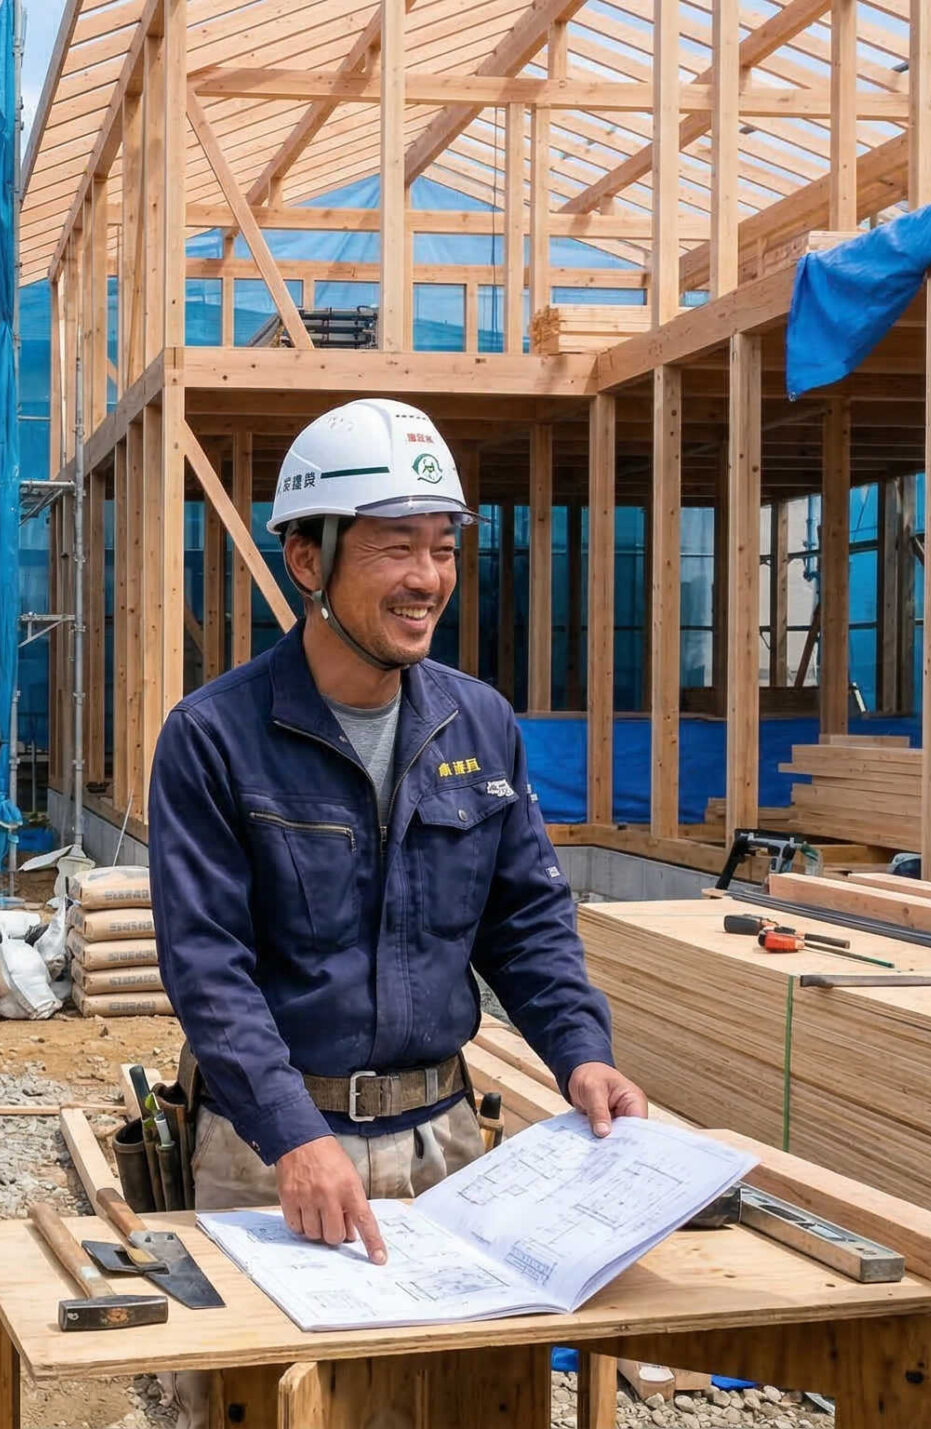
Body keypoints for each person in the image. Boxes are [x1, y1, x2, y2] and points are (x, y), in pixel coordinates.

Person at [148, 397, 645, 1266]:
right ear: (308, 559)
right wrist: (293, 1136)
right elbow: (208, 967)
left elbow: (525, 919)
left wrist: (581, 1054)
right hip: (269, 1156)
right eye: (395, 546)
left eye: (443, 548)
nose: (428, 576)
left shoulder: (479, 722)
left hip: (444, 1146)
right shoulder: (214, 737)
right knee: (260, 1401)